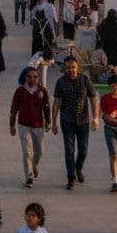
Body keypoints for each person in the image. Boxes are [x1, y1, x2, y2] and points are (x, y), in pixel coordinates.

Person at [50, 56, 100, 190]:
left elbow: (93, 98)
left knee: (83, 150)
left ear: (77, 68)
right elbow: (56, 103)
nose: (71, 70)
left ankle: (78, 168)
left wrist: (95, 118)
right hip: (67, 121)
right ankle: (71, 177)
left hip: (83, 121)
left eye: (73, 67)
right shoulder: (60, 82)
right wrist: (53, 122)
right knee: (69, 150)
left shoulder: (85, 80)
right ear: (63, 69)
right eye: (68, 68)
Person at [9, 66, 50, 189]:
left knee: (39, 152)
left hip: (38, 125)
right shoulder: (20, 91)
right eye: (29, 77)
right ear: (24, 77)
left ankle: (35, 165)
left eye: (35, 77)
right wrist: (11, 125)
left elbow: (46, 107)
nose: (33, 79)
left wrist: (48, 122)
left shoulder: (42, 91)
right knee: (27, 152)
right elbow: (14, 109)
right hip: (24, 125)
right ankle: (29, 176)